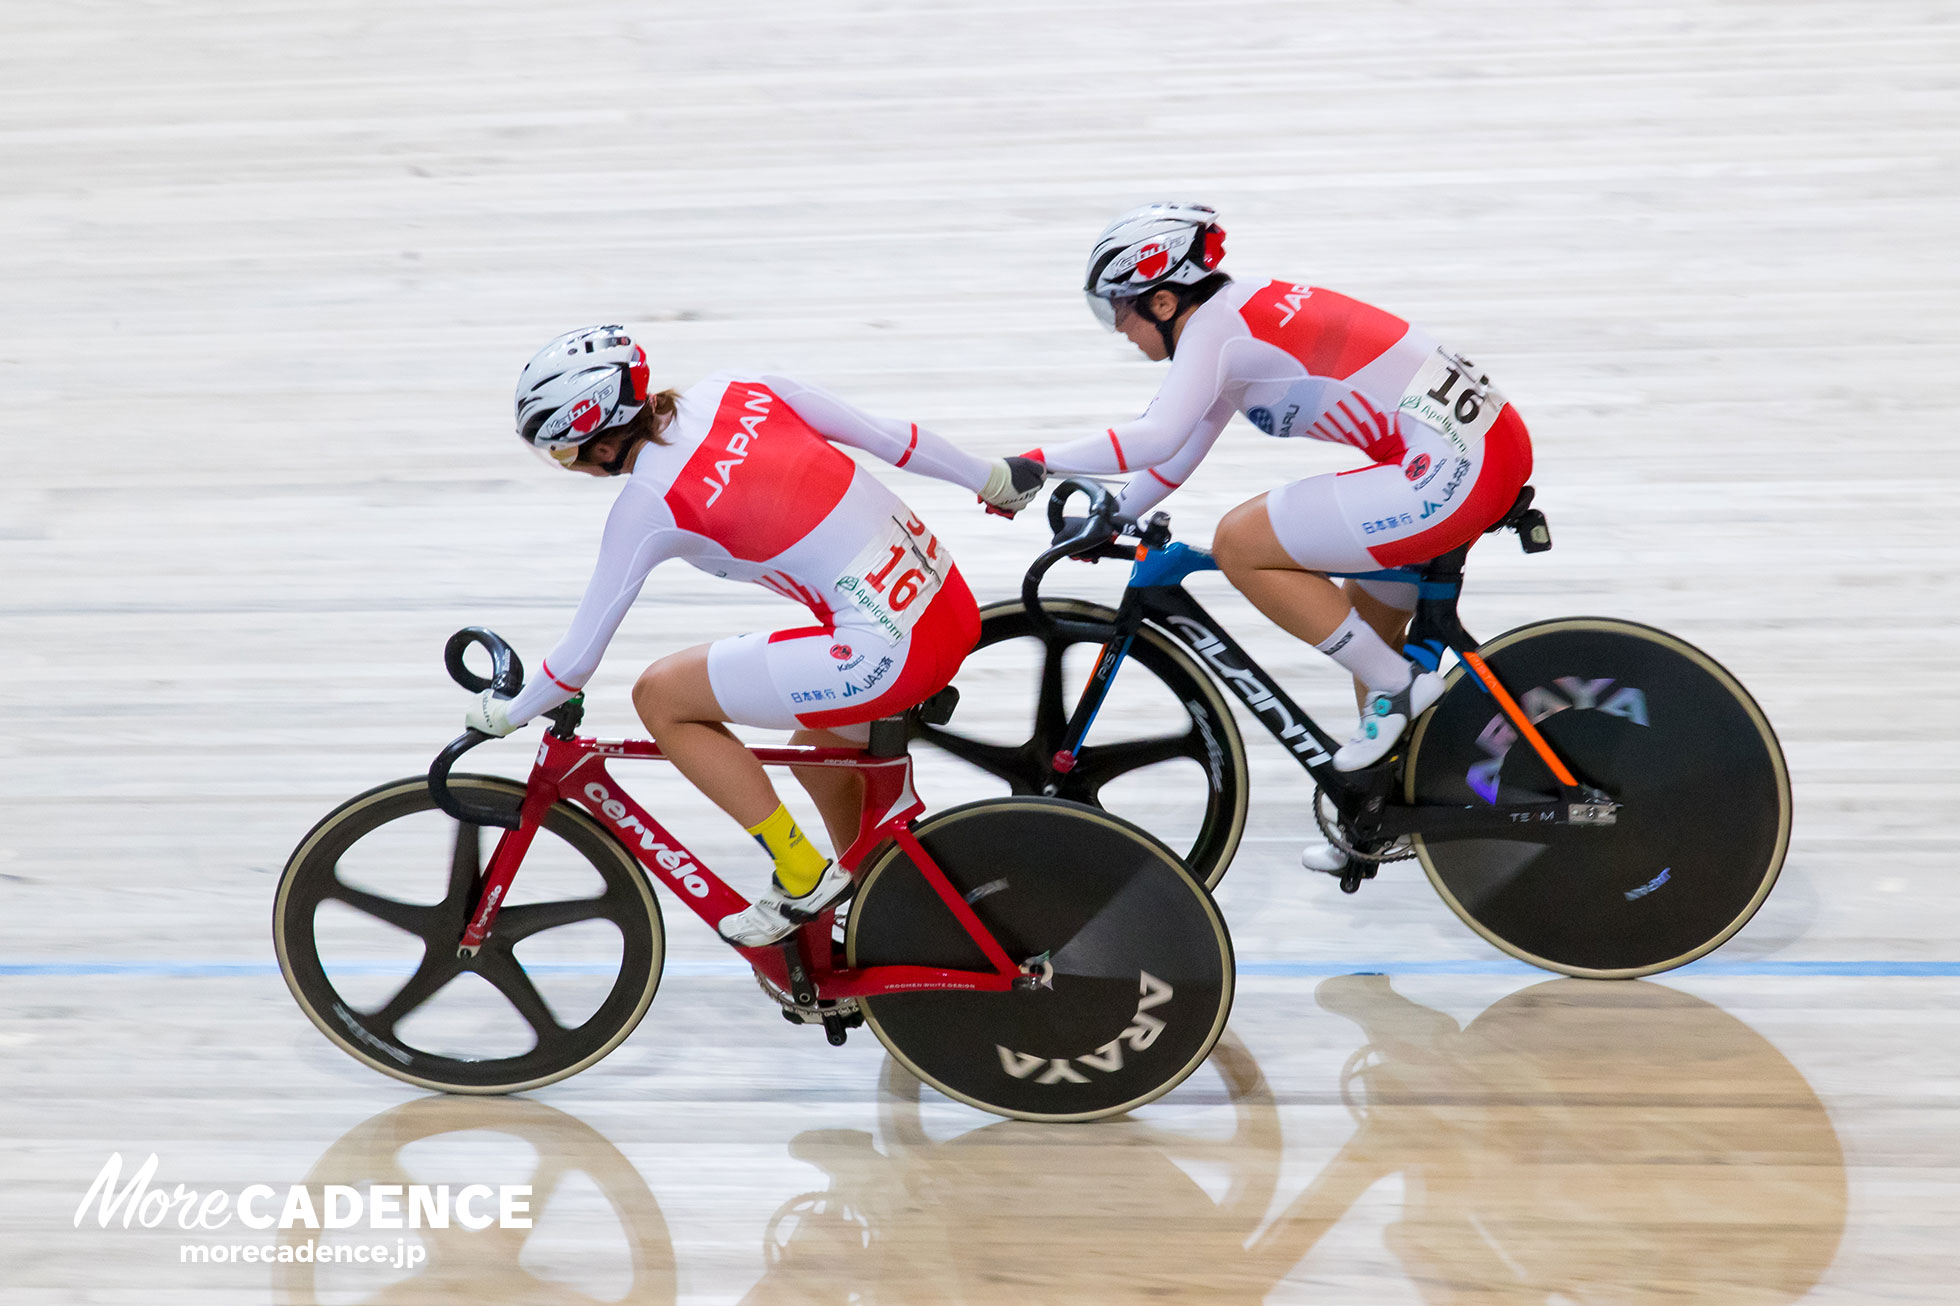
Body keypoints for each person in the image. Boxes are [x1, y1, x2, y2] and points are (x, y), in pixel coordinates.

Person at [467, 326, 1043, 945]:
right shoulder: (741, 388)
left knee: (661, 697)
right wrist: (991, 478)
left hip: (887, 654)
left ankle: (798, 873)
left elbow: (576, 662)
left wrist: (507, 714)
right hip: (950, 605)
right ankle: (881, 911)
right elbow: (888, 438)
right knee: (818, 759)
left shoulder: (649, 503)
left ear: (601, 444)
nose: (570, 467)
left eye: (562, 453)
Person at [1026, 203, 1533, 867]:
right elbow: (1175, 455)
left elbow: (1154, 436)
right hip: (1472, 453)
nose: (1118, 330)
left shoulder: (1217, 331)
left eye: (1118, 310)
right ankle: (1378, 816)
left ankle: (1402, 688)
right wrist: (1118, 512)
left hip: (1450, 469)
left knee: (1241, 543)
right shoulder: (1233, 319)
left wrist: (1032, 463)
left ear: (1162, 299)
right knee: (1367, 626)